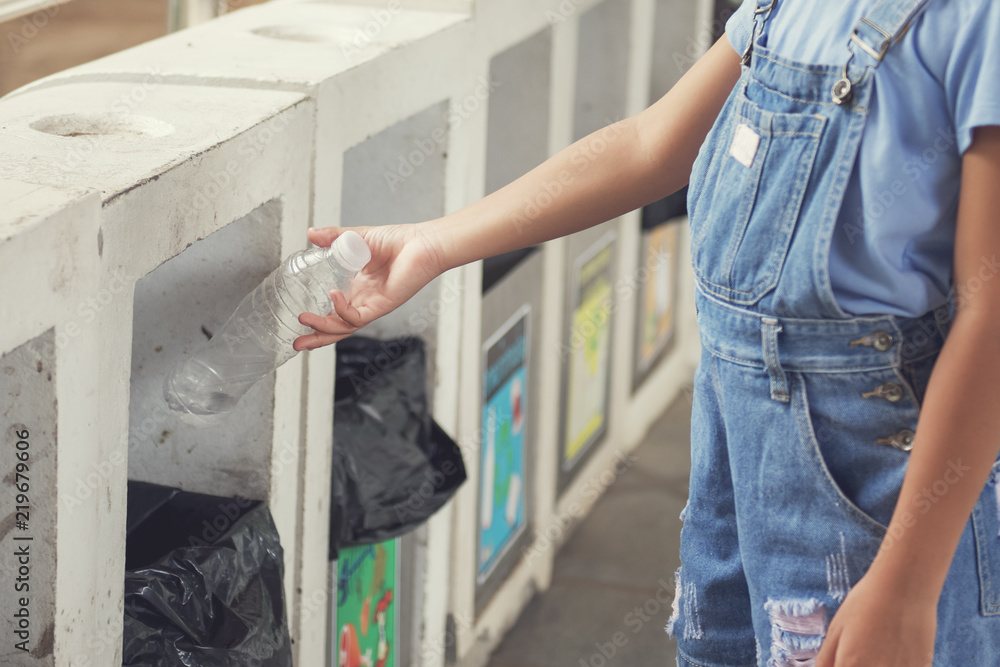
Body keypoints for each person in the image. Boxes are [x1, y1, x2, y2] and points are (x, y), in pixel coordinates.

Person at [294, 0, 1000, 663]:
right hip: (734, 465)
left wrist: (908, 581)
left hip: (880, 500)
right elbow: (650, 145)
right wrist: (433, 244)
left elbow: (990, 320)